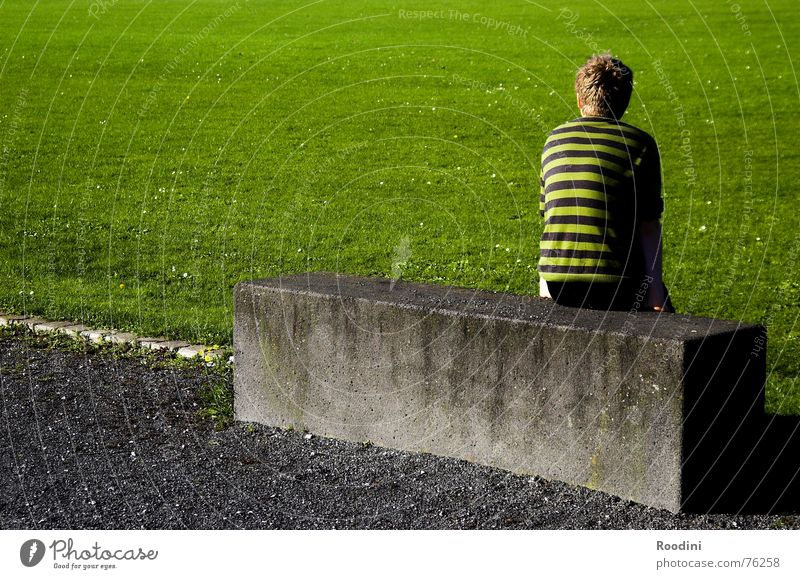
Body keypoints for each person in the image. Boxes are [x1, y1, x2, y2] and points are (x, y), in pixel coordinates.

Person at [538, 53, 673, 312]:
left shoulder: (553, 140)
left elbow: (550, 218)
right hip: (616, 283)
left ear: (579, 99)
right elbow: (648, 226)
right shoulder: (639, 144)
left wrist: (546, 285)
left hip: (558, 285)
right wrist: (656, 293)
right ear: (625, 102)